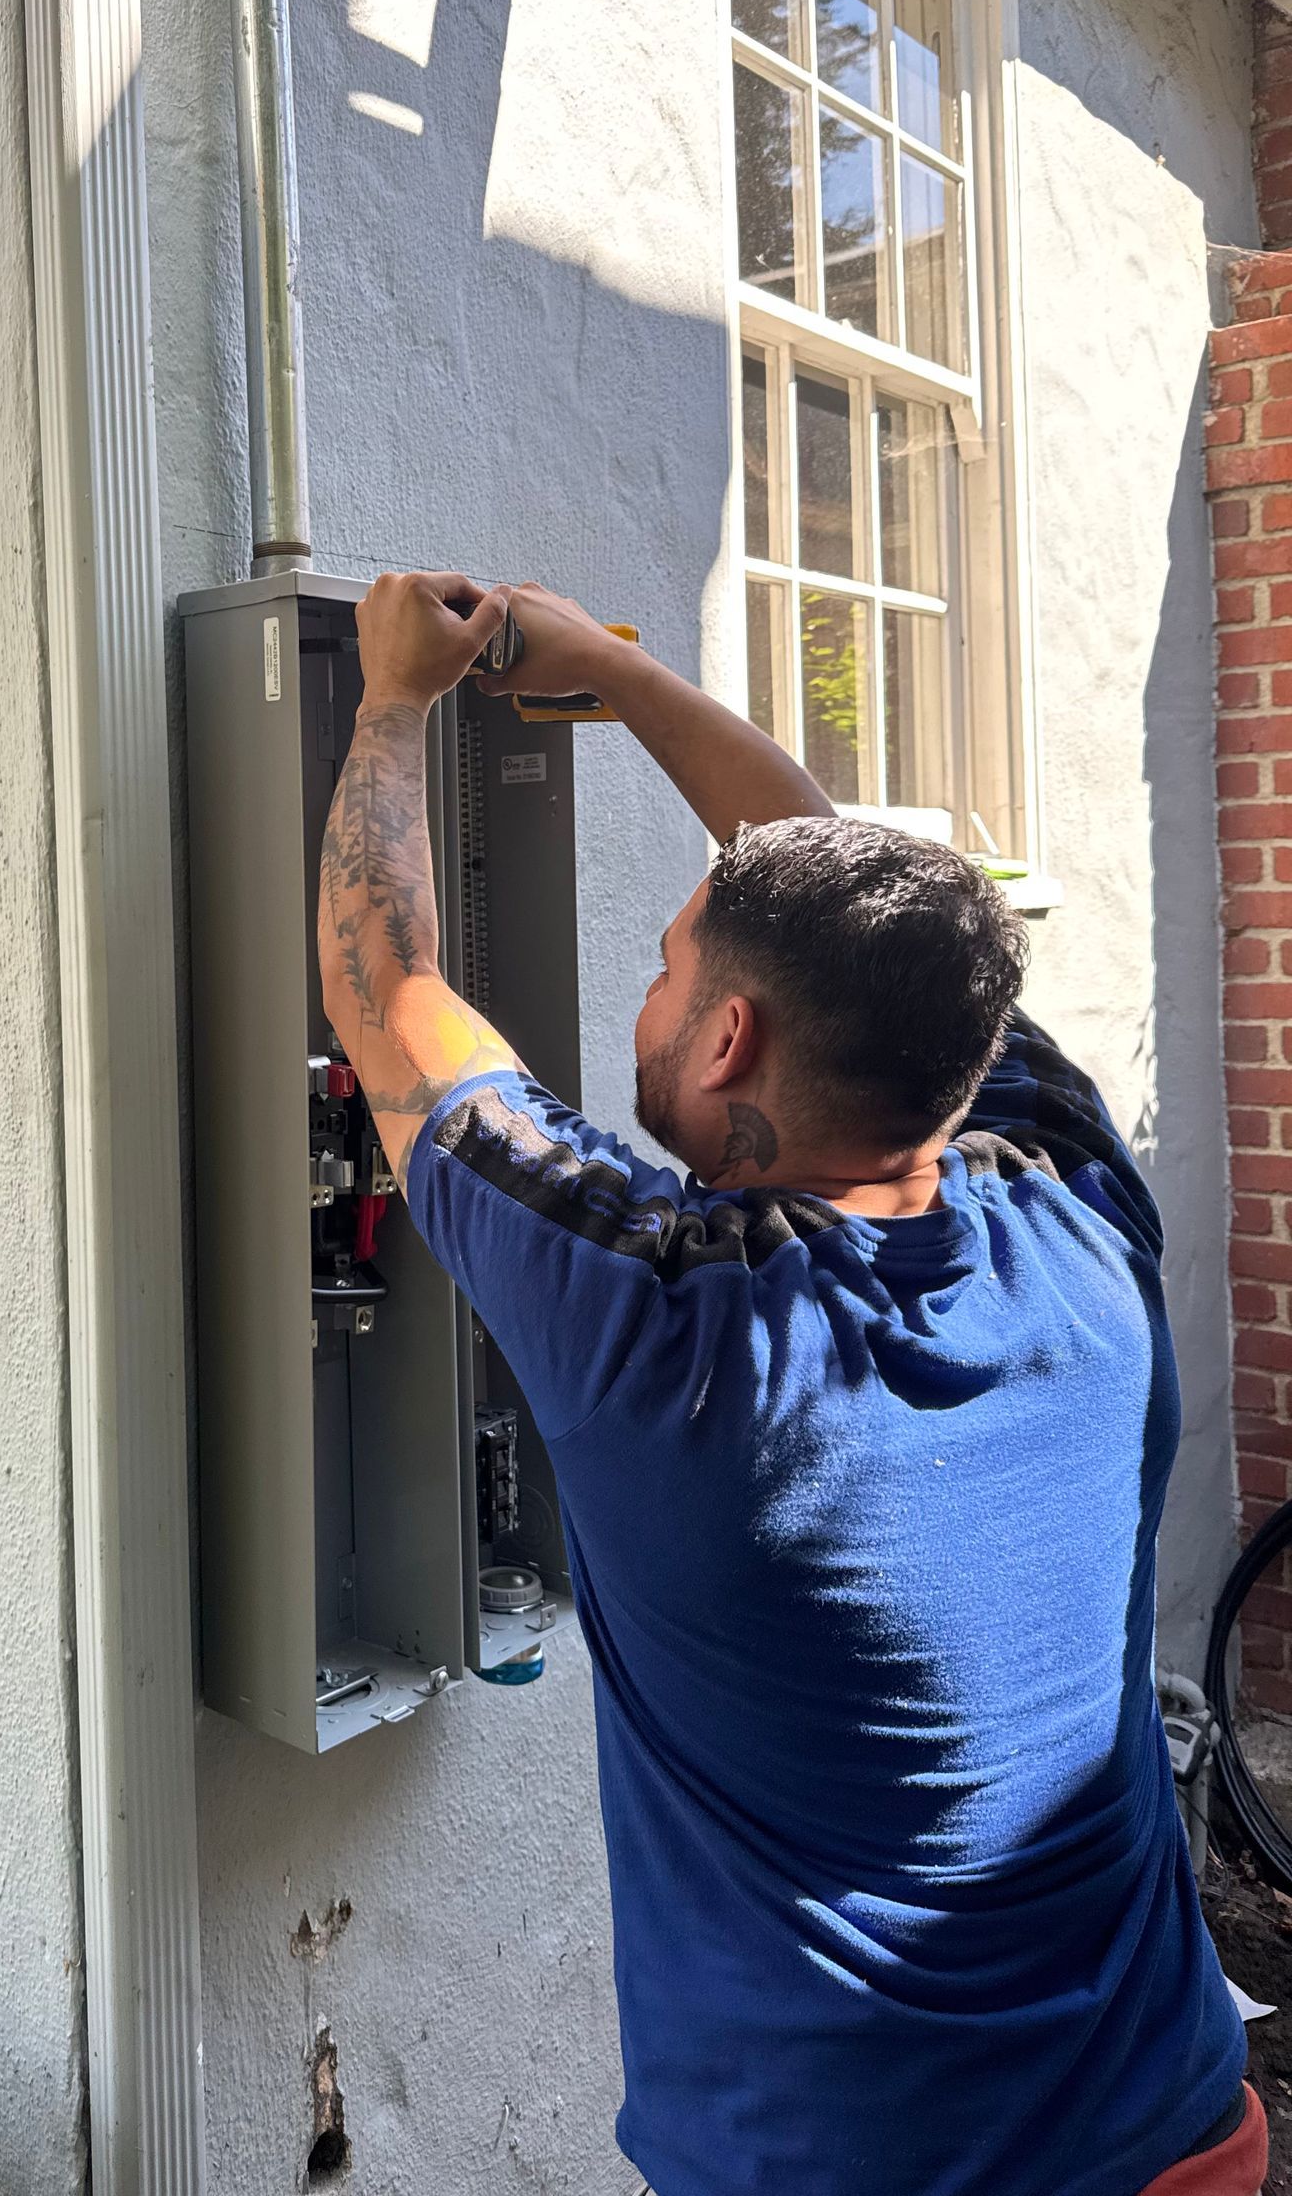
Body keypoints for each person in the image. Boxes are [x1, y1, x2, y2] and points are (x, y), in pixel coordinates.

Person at [316, 569, 1266, 2196]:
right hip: (1180, 2129)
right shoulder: (1084, 1215)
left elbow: (389, 992)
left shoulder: (665, 1327)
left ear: (732, 1039)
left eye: (664, 967)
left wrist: (391, 696)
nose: (646, 997)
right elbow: (870, 934)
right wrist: (626, 686)